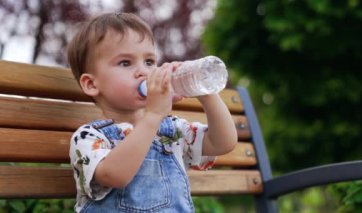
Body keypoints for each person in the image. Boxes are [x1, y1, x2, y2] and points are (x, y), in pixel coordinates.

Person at [67, 12, 237, 213]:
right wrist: (153, 116)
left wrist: (203, 89)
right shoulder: (89, 137)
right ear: (92, 84)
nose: (144, 72)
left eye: (149, 62)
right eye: (125, 63)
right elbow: (115, 175)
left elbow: (223, 143)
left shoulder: (172, 131)